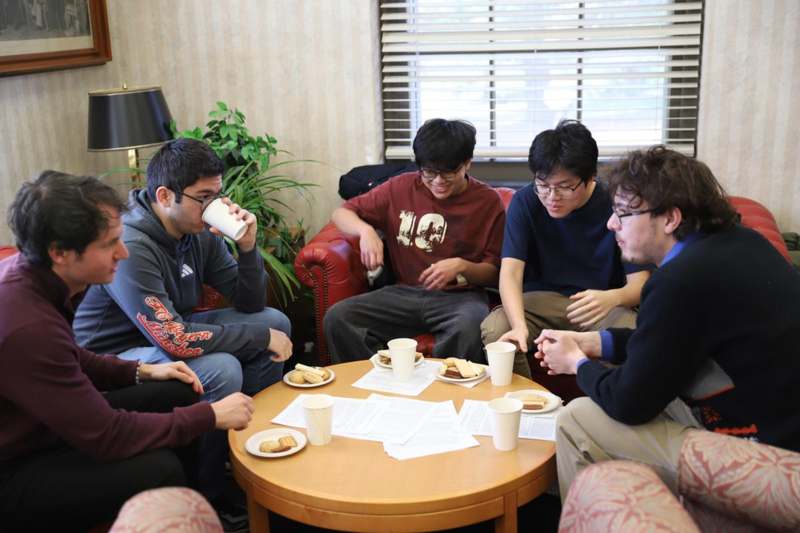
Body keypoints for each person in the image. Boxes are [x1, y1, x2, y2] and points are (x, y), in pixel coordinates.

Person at [533, 146, 800, 498]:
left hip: (769, 462)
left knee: (576, 420)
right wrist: (597, 343)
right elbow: (670, 344)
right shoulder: (740, 243)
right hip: (780, 426)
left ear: (671, 218)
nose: (611, 224)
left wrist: (576, 363)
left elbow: (628, 403)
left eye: (623, 214)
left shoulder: (682, 279)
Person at [0, 171, 254, 531]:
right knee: (161, 467)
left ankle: (195, 510)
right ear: (60, 252)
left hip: (45, 425)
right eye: (109, 245)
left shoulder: (41, 277)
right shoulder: (27, 324)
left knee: (178, 388)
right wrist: (211, 416)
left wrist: (140, 371)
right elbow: (107, 436)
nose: (124, 252)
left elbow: (70, 355)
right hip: (15, 468)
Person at [74, 138, 293, 403]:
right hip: (116, 353)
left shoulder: (198, 230)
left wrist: (247, 247)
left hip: (171, 328)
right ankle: (220, 443)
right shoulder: (131, 246)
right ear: (164, 196)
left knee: (274, 321)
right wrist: (259, 336)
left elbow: (251, 303)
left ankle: (256, 423)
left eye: (217, 195)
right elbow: (174, 339)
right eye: (203, 197)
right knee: (223, 369)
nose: (214, 206)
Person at [324, 119, 506, 363]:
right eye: (430, 172)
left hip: (460, 298)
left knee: (470, 324)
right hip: (403, 293)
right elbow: (342, 213)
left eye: (449, 172)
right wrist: (365, 232)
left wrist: (462, 267)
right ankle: (374, 385)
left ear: (467, 164)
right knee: (338, 317)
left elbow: (495, 273)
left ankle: (446, 392)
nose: (438, 182)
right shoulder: (400, 187)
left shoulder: (487, 202)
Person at [481, 120, 649, 378]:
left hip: (600, 304)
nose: (552, 196)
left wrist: (612, 298)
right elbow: (511, 273)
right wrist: (518, 326)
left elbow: (640, 284)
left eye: (564, 187)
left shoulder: (617, 203)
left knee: (637, 334)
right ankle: (526, 406)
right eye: (544, 185)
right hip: (541, 302)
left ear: (591, 177)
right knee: (497, 329)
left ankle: (605, 409)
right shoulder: (526, 201)